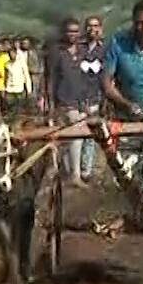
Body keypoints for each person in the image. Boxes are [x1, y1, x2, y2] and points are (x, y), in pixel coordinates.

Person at [46, 18, 95, 188]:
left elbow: (89, 77)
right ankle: (73, 175)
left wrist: (88, 99)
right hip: (64, 99)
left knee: (73, 138)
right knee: (74, 137)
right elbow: (51, 78)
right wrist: (49, 101)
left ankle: (69, 173)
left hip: (81, 99)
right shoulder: (56, 52)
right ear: (63, 33)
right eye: (69, 31)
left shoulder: (83, 51)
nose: (72, 34)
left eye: (75, 31)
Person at [80, 16, 105, 181]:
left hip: (96, 97)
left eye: (96, 26)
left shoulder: (105, 50)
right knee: (74, 135)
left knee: (90, 135)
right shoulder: (78, 50)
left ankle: (86, 169)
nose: (92, 29)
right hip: (76, 98)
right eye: (89, 26)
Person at [4, 47, 32, 123]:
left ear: (16, 54)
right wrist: (5, 88)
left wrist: (29, 89)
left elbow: (26, 76)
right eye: (10, 54)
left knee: (18, 109)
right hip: (9, 89)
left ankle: (17, 125)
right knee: (10, 109)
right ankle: (10, 125)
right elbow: (6, 77)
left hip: (19, 89)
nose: (11, 55)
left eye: (13, 53)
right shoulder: (7, 64)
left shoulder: (22, 63)